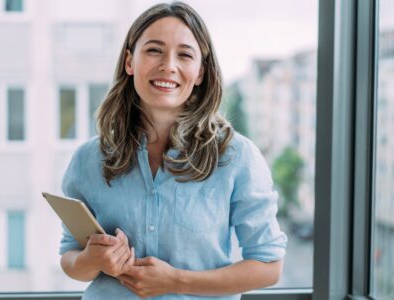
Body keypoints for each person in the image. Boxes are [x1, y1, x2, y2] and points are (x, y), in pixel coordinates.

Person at [59, 2, 287, 299]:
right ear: (130, 62)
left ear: (201, 72)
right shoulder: (89, 159)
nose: (168, 65)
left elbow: (268, 266)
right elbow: (70, 259)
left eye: (184, 54)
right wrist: (91, 260)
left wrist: (176, 281)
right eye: (154, 50)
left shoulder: (236, 157)